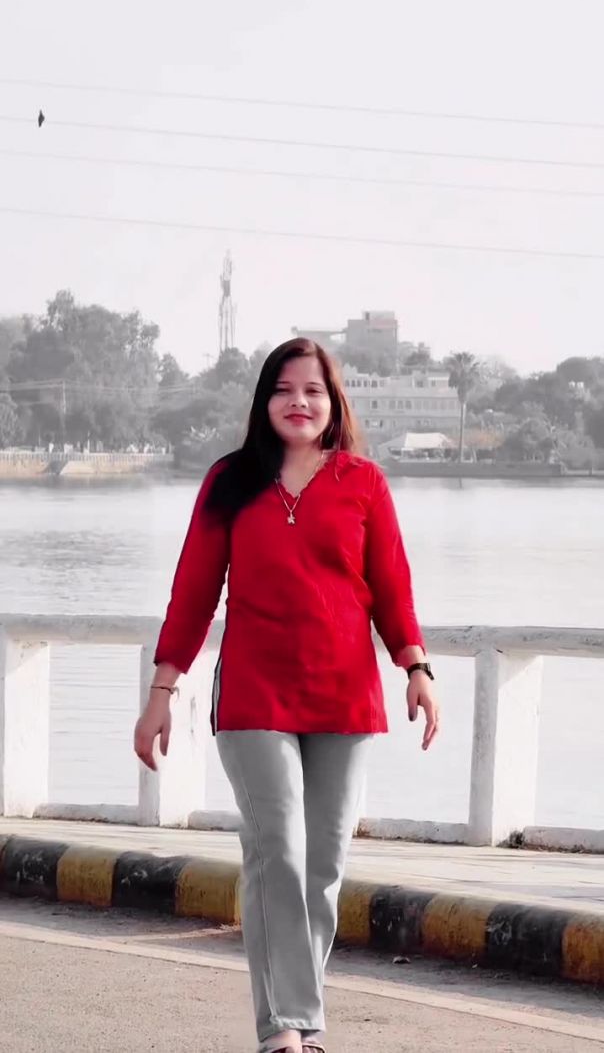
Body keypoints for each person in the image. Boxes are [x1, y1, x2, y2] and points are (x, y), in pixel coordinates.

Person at [134, 337, 439, 1053]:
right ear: (263, 401)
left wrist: (417, 668)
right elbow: (193, 593)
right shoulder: (230, 480)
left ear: (334, 404)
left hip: (344, 696)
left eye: (313, 390)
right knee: (278, 847)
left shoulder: (364, 482)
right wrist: (162, 691)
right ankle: (287, 1033)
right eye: (283, 389)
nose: (298, 402)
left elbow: (392, 587)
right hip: (254, 695)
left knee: (324, 864)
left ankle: (298, 1018)